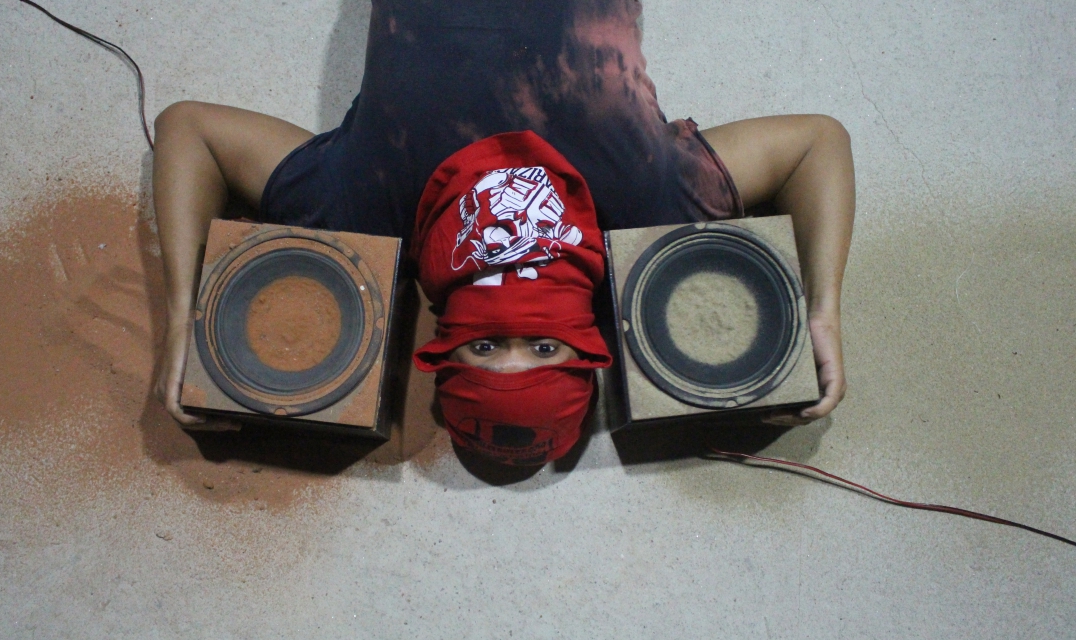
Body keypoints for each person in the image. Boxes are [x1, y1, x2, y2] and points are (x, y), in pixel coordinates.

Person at [153, 0, 854, 463]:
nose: (514, 320)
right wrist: (822, 312)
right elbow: (819, 142)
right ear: (596, 344)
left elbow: (187, 129)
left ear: (439, 344)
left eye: (487, 347)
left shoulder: (364, 216)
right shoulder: (648, 209)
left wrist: (187, 315)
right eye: (542, 347)